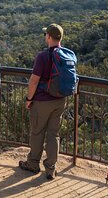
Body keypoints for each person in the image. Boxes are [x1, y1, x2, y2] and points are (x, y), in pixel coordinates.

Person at [19, 23, 68, 180]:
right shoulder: (67, 55)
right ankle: (51, 168)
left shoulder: (43, 56)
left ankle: (33, 164)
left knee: (37, 132)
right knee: (53, 134)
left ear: (48, 36)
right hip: (60, 100)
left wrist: (29, 99)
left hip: (42, 101)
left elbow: (33, 81)